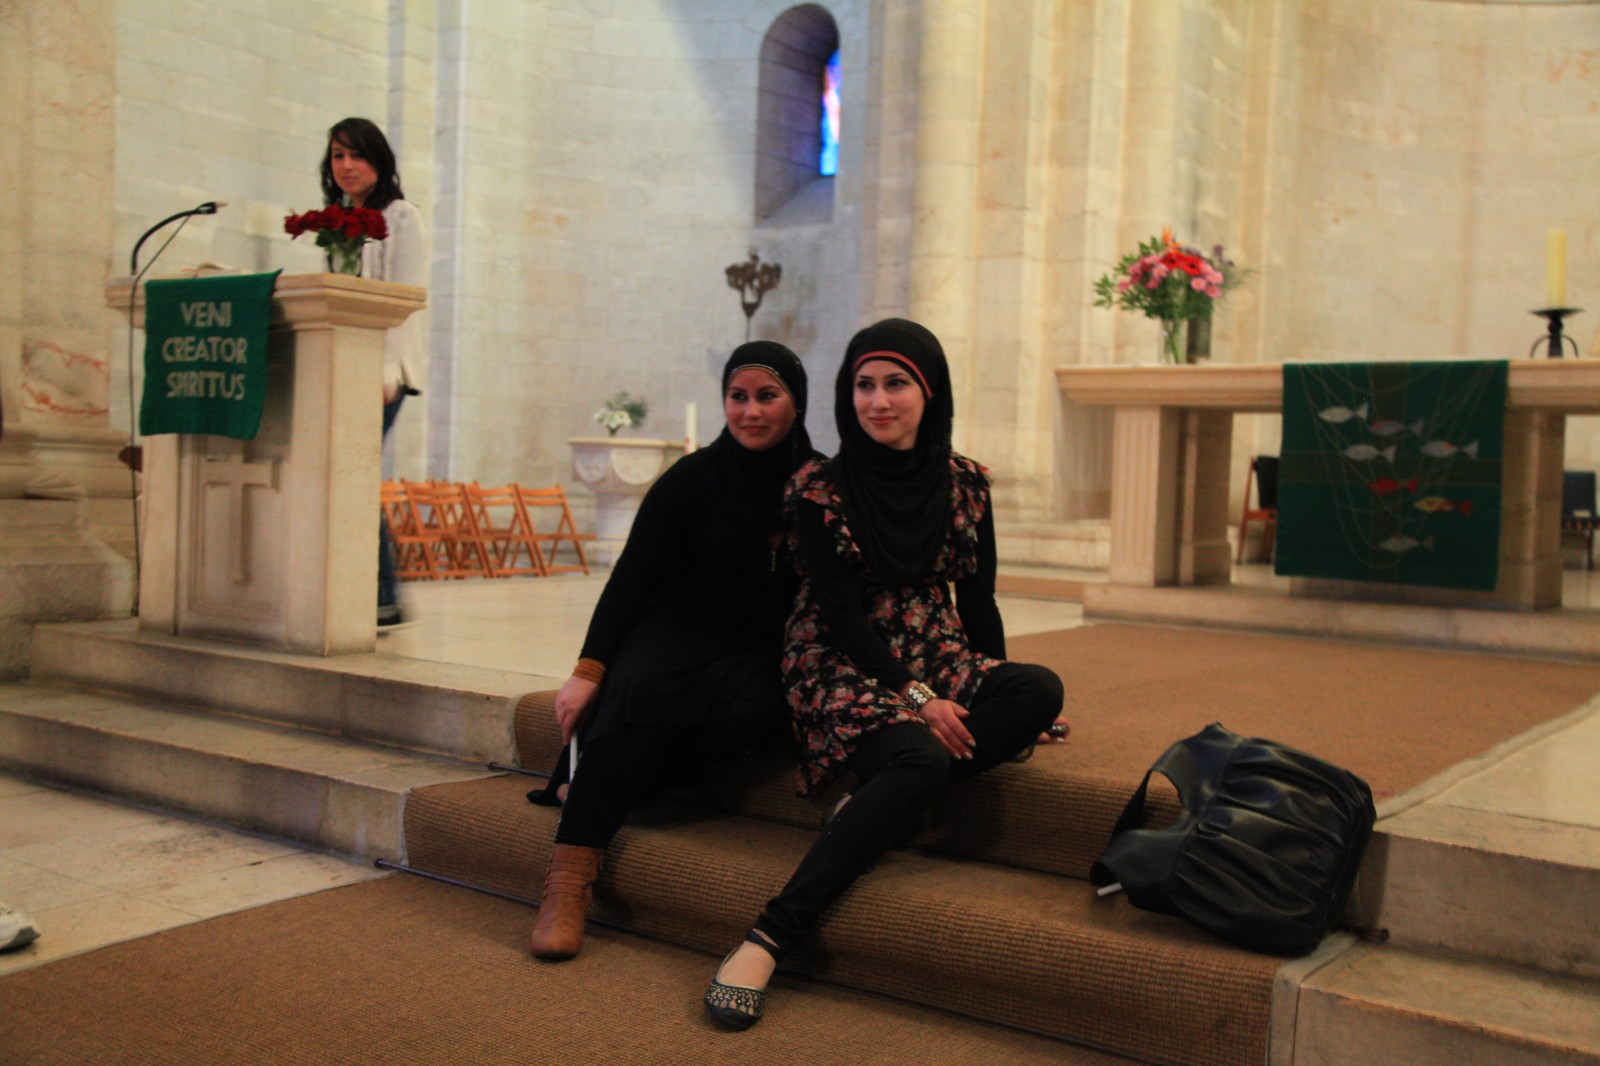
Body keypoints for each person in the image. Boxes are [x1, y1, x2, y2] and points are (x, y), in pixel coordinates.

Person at [704, 318, 1067, 1030]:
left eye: (896, 383)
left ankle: (876, 799)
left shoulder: (966, 483)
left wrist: (996, 686)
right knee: (920, 753)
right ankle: (769, 936)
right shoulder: (820, 489)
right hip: (841, 660)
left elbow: (979, 601)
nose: (878, 401)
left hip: (938, 649)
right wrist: (922, 698)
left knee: (1039, 689)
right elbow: (841, 619)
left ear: (929, 392)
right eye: (864, 385)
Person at [527, 341, 819, 962]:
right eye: (737, 397)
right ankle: (567, 882)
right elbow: (630, 580)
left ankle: (615, 781)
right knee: (642, 691)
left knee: (767, 707)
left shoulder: (818, 485)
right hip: (674, 630)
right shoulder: (691, 479)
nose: (751, 412)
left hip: (755, 647)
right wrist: (588, 670)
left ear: (797, 402)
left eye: (768, 396)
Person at [320, 116, 427, 631]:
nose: (346, 165)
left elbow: (407, 300)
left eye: (357, 155)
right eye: (338, 155)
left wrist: (387, 368)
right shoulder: (332, 220)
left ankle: (384, 592)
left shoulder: (402, 216)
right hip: (340, 367)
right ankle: (357, 588)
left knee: (358, 475)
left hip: (385, 371)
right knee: (345, 476)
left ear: (378, 161)